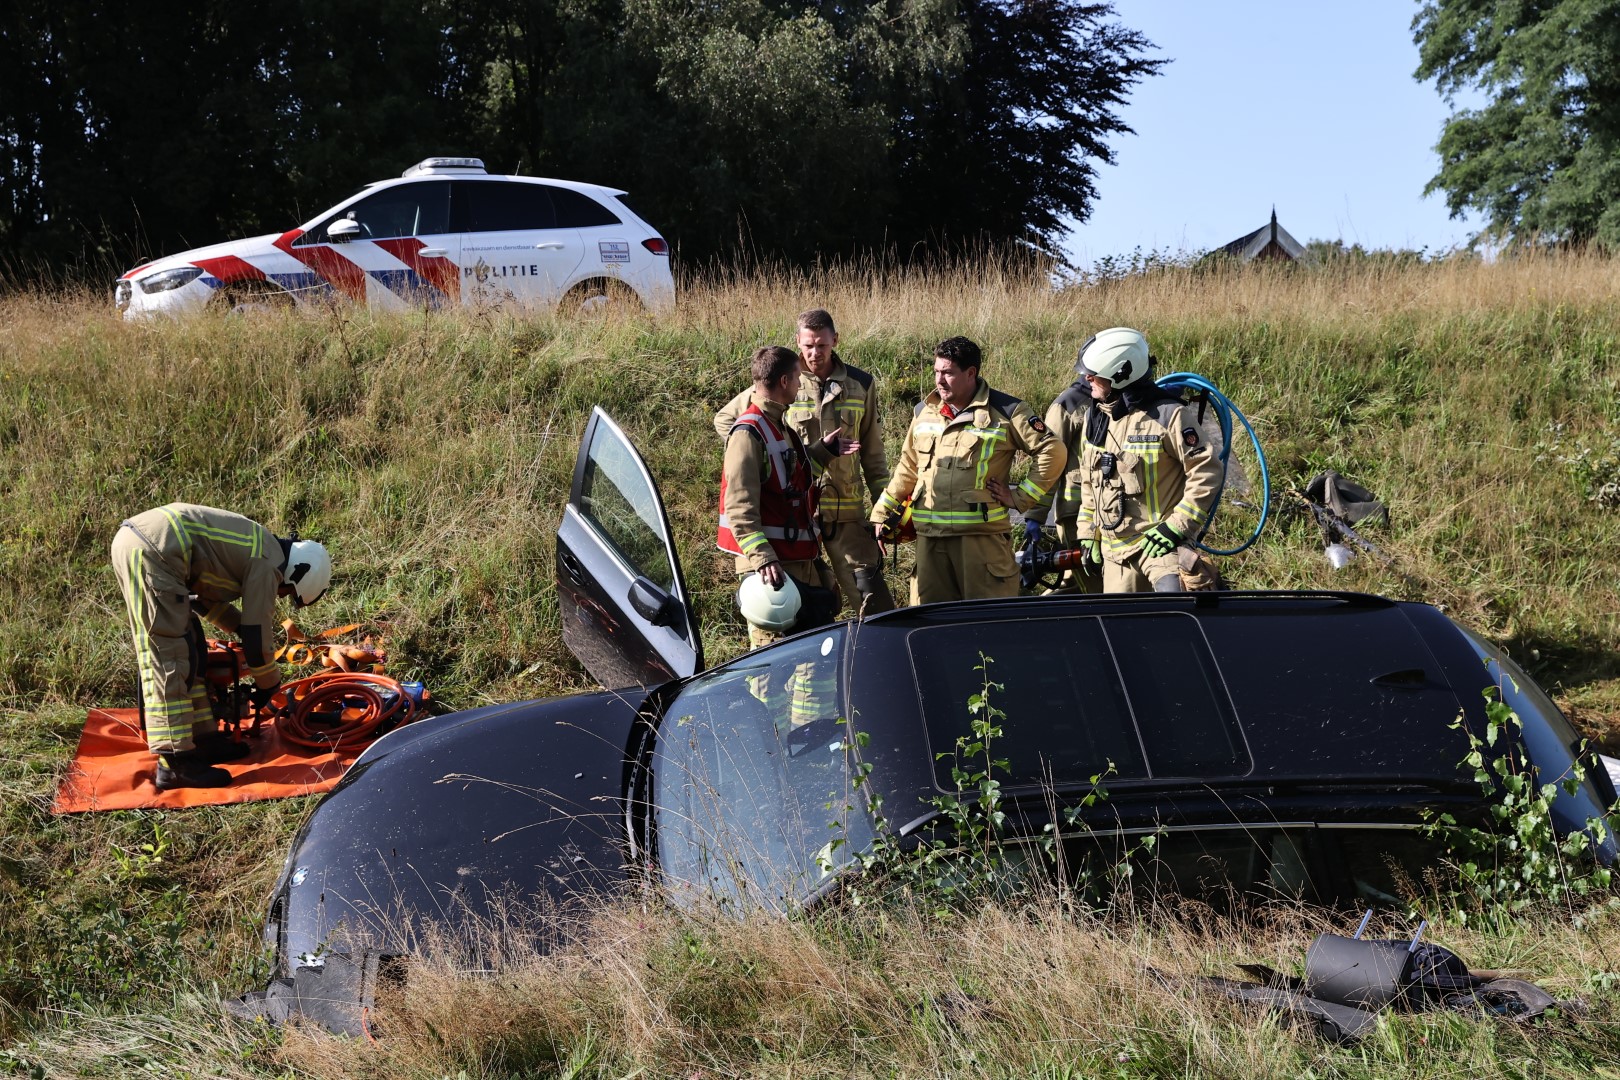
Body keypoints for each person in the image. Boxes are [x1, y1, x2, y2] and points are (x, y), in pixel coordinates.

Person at [111, 504, 332, 790]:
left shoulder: (259, 547)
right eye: (287, 591)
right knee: (170, 656)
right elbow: (258, 631)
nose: (280, 593)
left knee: (193, 652)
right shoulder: (269, 562)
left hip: (151, 546)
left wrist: (238, 627)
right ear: (299, 573)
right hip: (152, 550)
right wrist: (269, 682)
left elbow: (202, 598)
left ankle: (203, 740)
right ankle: (173, 763)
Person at [714, 309, 894, 615]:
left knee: (871, 601)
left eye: (822, 345)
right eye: (808, 345)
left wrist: (883, 510)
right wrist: (769, 459)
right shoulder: (784, 379)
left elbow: (874, 456)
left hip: (844, 515)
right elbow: (728, 422)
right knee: (800, 609)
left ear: (834, 340)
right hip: (794, 519)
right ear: (798, 340)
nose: (814, 353)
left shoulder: (860, 384)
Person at [870, 336, 1063, 604]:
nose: (939, 380)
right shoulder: (924, 412)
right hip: (930, 542)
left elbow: (1053, 451)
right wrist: (881, 513)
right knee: (930, 627)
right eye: (936, 371)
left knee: (984, 626)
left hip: (981, 545)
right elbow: (908, 466)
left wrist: (1020, 498)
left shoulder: (1006, 411)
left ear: (971, 373)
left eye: (948, 372)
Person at [1073, 327, 1224, 592]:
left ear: (1120, 375)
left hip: (1161, 545)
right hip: (1115, 553)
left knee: (1174, 616)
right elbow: (1089, 480)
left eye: (1095, 375)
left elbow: (1206, 471)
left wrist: (1176, 528)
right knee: (1123, 630)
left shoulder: (1169, 415)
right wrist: (1087, 533)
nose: (1087, 379)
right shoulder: (1095, 417)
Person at [718, 345, 847, 647]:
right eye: (798, 378)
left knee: (813, 655)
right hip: (772, 569)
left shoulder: (778, 426)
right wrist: (763, 560)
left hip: (797, 558)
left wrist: (822, 451)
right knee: (770, 664)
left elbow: (790, 482)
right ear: (785, 382)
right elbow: (739, 507)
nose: (801, 384)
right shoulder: (748, 433)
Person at [1024, 375, 1104, 594]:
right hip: (1076, 516)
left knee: (1078, 582)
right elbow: (1048, 463)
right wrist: (1035, 517)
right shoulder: (1069, 405)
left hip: (1114, 513)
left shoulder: (1117, 401)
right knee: (1093, 585)